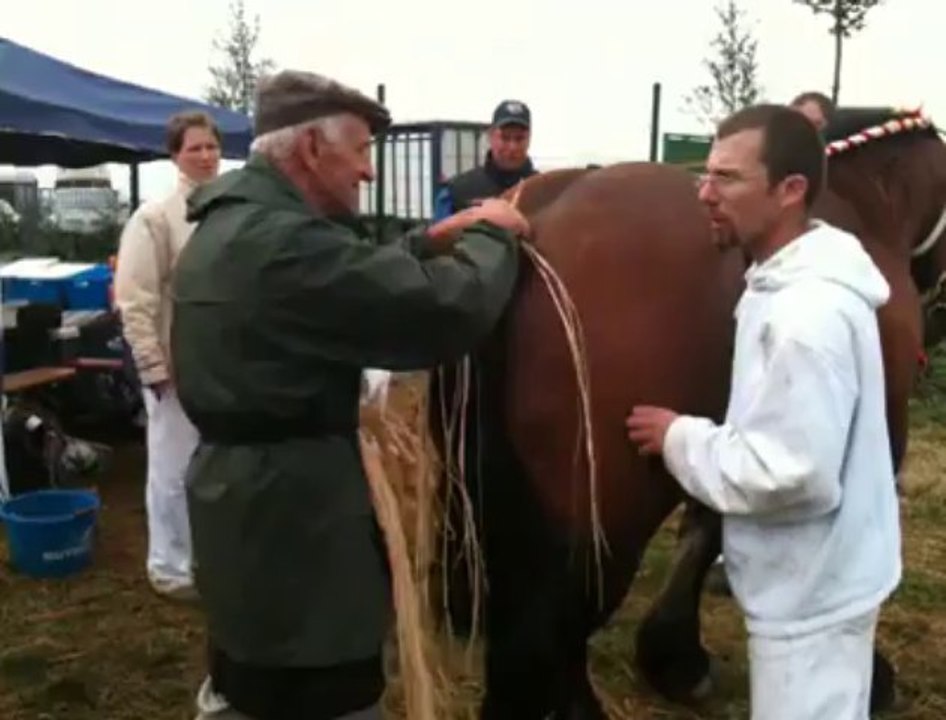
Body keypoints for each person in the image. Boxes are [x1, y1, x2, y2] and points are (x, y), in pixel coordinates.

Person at [172, 69, 529, 720]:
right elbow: (443, 311)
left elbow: (342, 278)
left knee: (251, 675)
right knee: (321, 687)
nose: (369, 172)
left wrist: (424, 240)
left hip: (244, 508)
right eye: (362, 151)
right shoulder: (283, 245)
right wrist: (492, 236)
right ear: (311, 148)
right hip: (298, 523)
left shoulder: (233, 227)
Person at [625, 104, 901, 720]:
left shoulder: (805, 319)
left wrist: (679, 438)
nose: (704, 193)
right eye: (706, 173)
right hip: (827, 579)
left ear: (791, 191)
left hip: (810, 598)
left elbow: (791, 473)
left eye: (727, 178)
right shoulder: (786, 283)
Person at [114, 110, 222, 601]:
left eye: (212, 146)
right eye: (194, 147)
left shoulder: (224, 211)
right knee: (172, 469)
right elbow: (135, 299)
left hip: (221, 363)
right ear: (175, 154)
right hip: (176, 366)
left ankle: (206, 555)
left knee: (211, 466)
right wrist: (154, 367)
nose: (205, 155)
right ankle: (169, 567)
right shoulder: (155, 218)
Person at [432, 99, 538, 221]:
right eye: (505, 138)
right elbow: (437, 236)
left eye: (519, 139)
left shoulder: (545, 191)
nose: (512, 147)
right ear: (491, 136)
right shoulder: (457, 192)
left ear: (529, 139)